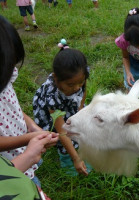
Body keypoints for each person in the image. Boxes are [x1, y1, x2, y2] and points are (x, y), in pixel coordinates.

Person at [0, 15, 59, 190]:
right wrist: (28, 142)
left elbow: (12, 106)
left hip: (23, 149)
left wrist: (32, 126)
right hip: (9, 165)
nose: (13, 71)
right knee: (29, 188)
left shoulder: (4, 77)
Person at [33, 39, 92, 176]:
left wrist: (80, 109)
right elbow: (62, 132)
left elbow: (83, 89)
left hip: (69, 104)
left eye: (80, 82)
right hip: (54, 112)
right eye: (71, 85)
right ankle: (67, 159)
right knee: (65, 135)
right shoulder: (52, 96)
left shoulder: (79, 76)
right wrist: (76, 159)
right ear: (55, 78)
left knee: (81, 126)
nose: (77, 87)